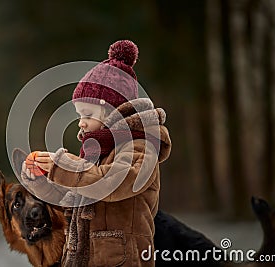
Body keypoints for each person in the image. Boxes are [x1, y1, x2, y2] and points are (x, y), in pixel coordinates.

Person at [22, 40, 171, 267]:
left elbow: (112, 182)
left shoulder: (141, 146)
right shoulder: (94, 154)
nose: (80, 122)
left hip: (123, 260)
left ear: (112, 109)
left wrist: (62, 166)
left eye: (88, 114)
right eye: (78, 114)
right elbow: (70, 198)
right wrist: (41, 179)